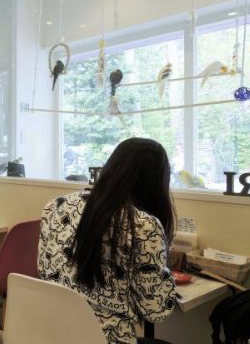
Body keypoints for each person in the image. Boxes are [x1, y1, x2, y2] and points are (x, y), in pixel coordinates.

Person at [38, 138, 177, 344]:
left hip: (52, 332)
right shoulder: (143, 225)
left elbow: (44, 270)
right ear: (156, 182)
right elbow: (156, 311)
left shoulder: (56, 205)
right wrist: (163, 269)